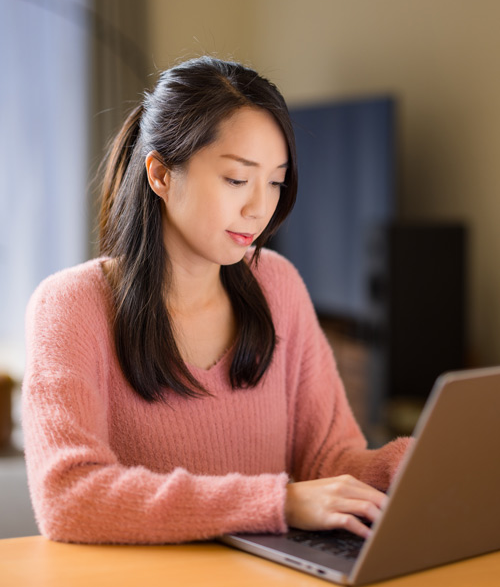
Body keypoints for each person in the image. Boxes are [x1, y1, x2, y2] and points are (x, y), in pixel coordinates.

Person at [22, 56, 409, 545]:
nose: (258, 208)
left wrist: (411, 463)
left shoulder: (278, 285)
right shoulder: (72, 306)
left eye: (275, 181)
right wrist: (276, 503)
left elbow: (328, 462)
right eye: (236, 179)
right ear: (160, 175)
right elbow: (68, 496)